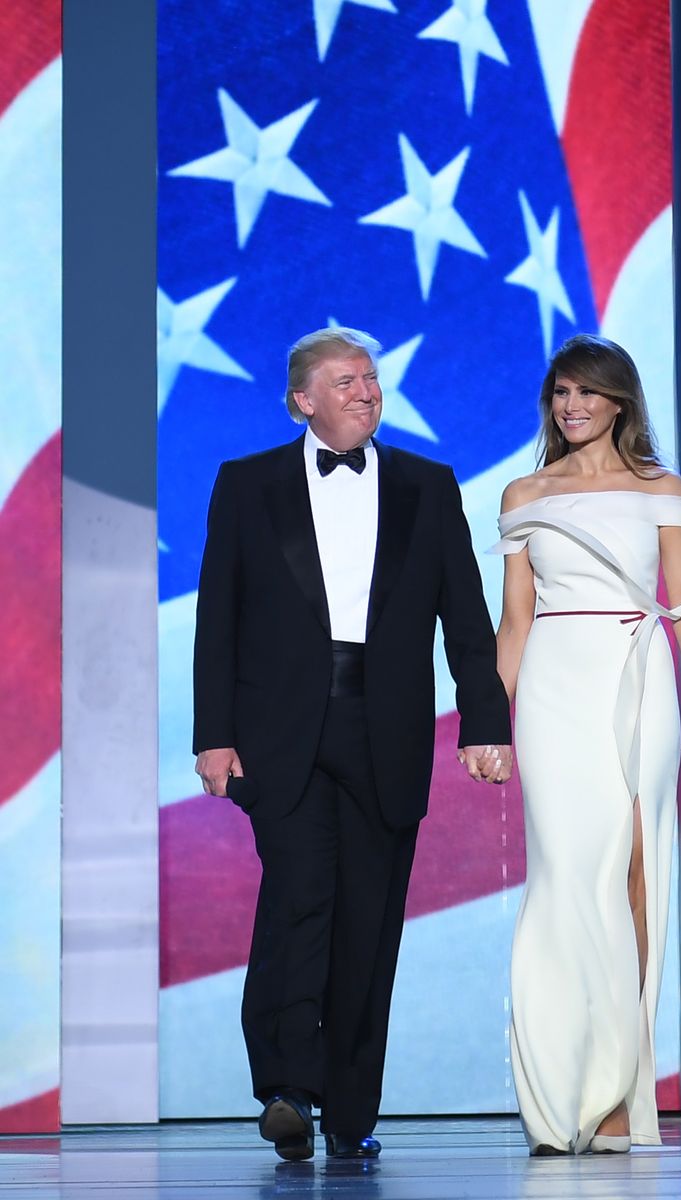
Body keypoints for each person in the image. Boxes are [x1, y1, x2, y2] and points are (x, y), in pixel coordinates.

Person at [193, 327, 512, 1161]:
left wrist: (484, 724)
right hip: (280, 732)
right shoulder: (247, 483)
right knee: (300, 896)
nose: (366, 392)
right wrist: (212, 737)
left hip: (389, 726)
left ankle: (349, 1113)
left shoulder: (427, 485)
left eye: (371, 378)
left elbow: (467, 623)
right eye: (345, 381)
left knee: (368, 920)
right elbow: (216, 619)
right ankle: (289, 1087)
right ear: (303, 399)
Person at [493, 334, 681, 1156]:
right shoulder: (524, 492)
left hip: (639, 673)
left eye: (588, 392)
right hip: (555, 677)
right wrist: (489, 723)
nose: (572, 406)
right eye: (560, 392)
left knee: (636, 866)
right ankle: (559, 1088)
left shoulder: (659, 488)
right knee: (563, 869)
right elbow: (514, 620)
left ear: (619, 401)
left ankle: (623, 1089)